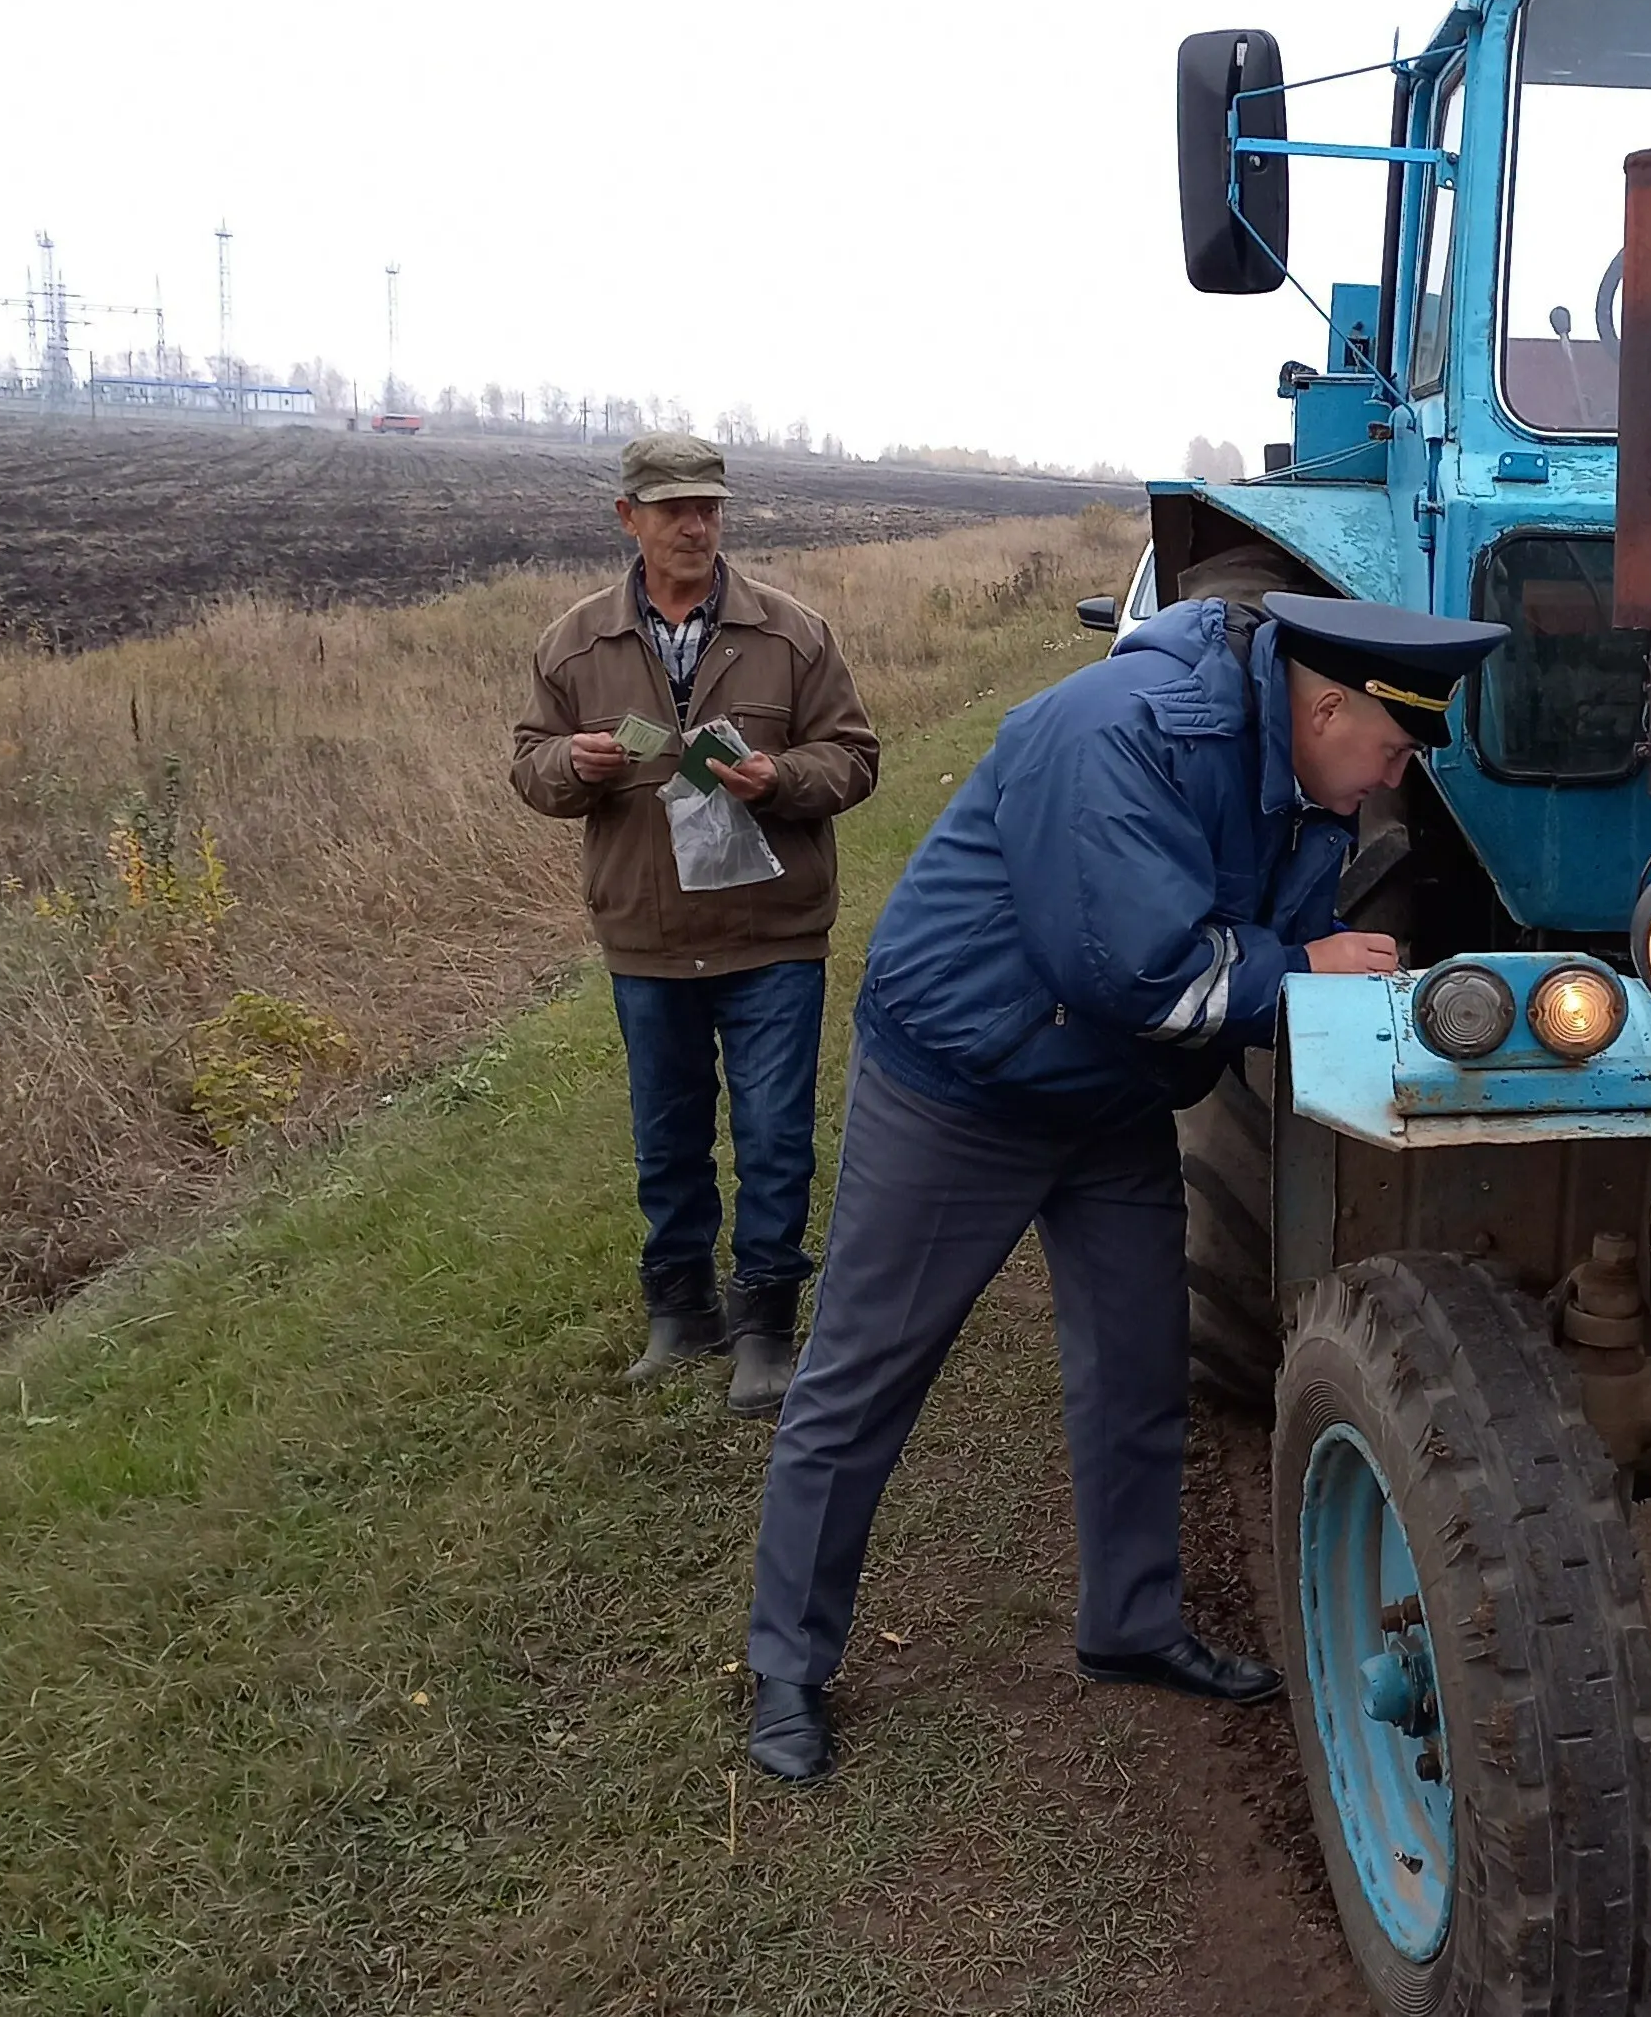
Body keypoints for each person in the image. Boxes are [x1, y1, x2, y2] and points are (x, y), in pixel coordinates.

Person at [742, 586, 1508, 1782]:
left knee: (1139, 1363)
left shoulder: (1305, 784)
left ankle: (1132, 1625)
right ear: (1329, 704)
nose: (1393, 778)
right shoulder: (1126, 731)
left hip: (1107, 1096)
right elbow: (1142, 972)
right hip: (967, 1078)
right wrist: (1303, 966)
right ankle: (787, 1663)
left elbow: (1231, 958)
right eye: (1395, 748)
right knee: (866, 1369)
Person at [509, 432, 881, 1416]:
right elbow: (528, 761)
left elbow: (854, 755)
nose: (695, 523)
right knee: (666, 1136)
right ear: (627, 517)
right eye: (672, 507)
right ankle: (679, 1313)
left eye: (709, 504)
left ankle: (764, 1324)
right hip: (648, 936)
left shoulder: (793, 633)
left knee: (774, 1134)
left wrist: (782, 778)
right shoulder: (575, 644)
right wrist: (569, 768)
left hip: (773, 934)